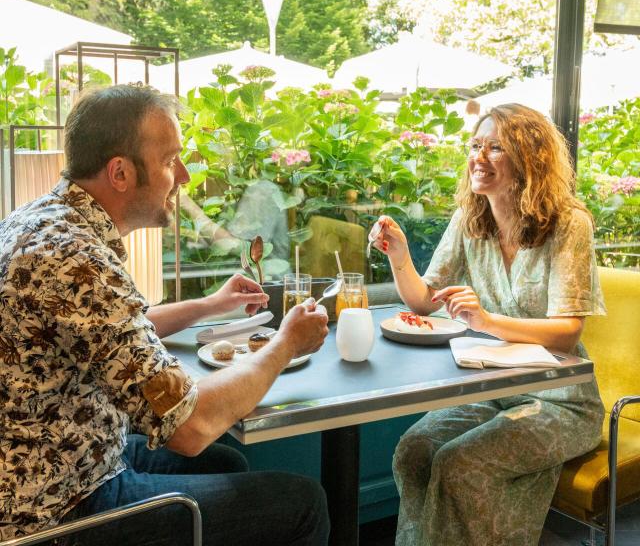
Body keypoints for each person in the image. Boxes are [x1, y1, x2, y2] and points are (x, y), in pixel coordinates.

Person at [0, 84, 330, 545]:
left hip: (64, 459)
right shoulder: (76, 259)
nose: (185, 177)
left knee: (225, 461)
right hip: (55, 512)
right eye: (171, 160)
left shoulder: (44, 221)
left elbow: (110, 334)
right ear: (120, 173)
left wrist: (211, 304)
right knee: (302, 502)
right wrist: (286, 344)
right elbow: (189, 427)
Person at [369, 103, 605, 546]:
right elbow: (423, 300)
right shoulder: (469, 219)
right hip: (493, 389)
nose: (479, 157)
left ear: (529, 159)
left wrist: (486, 320)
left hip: (562, 400)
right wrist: (399, 257)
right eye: (476, 145)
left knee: (462, 464)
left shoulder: (570, 224)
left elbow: (567, 331)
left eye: (496, 148)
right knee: (413, 452)